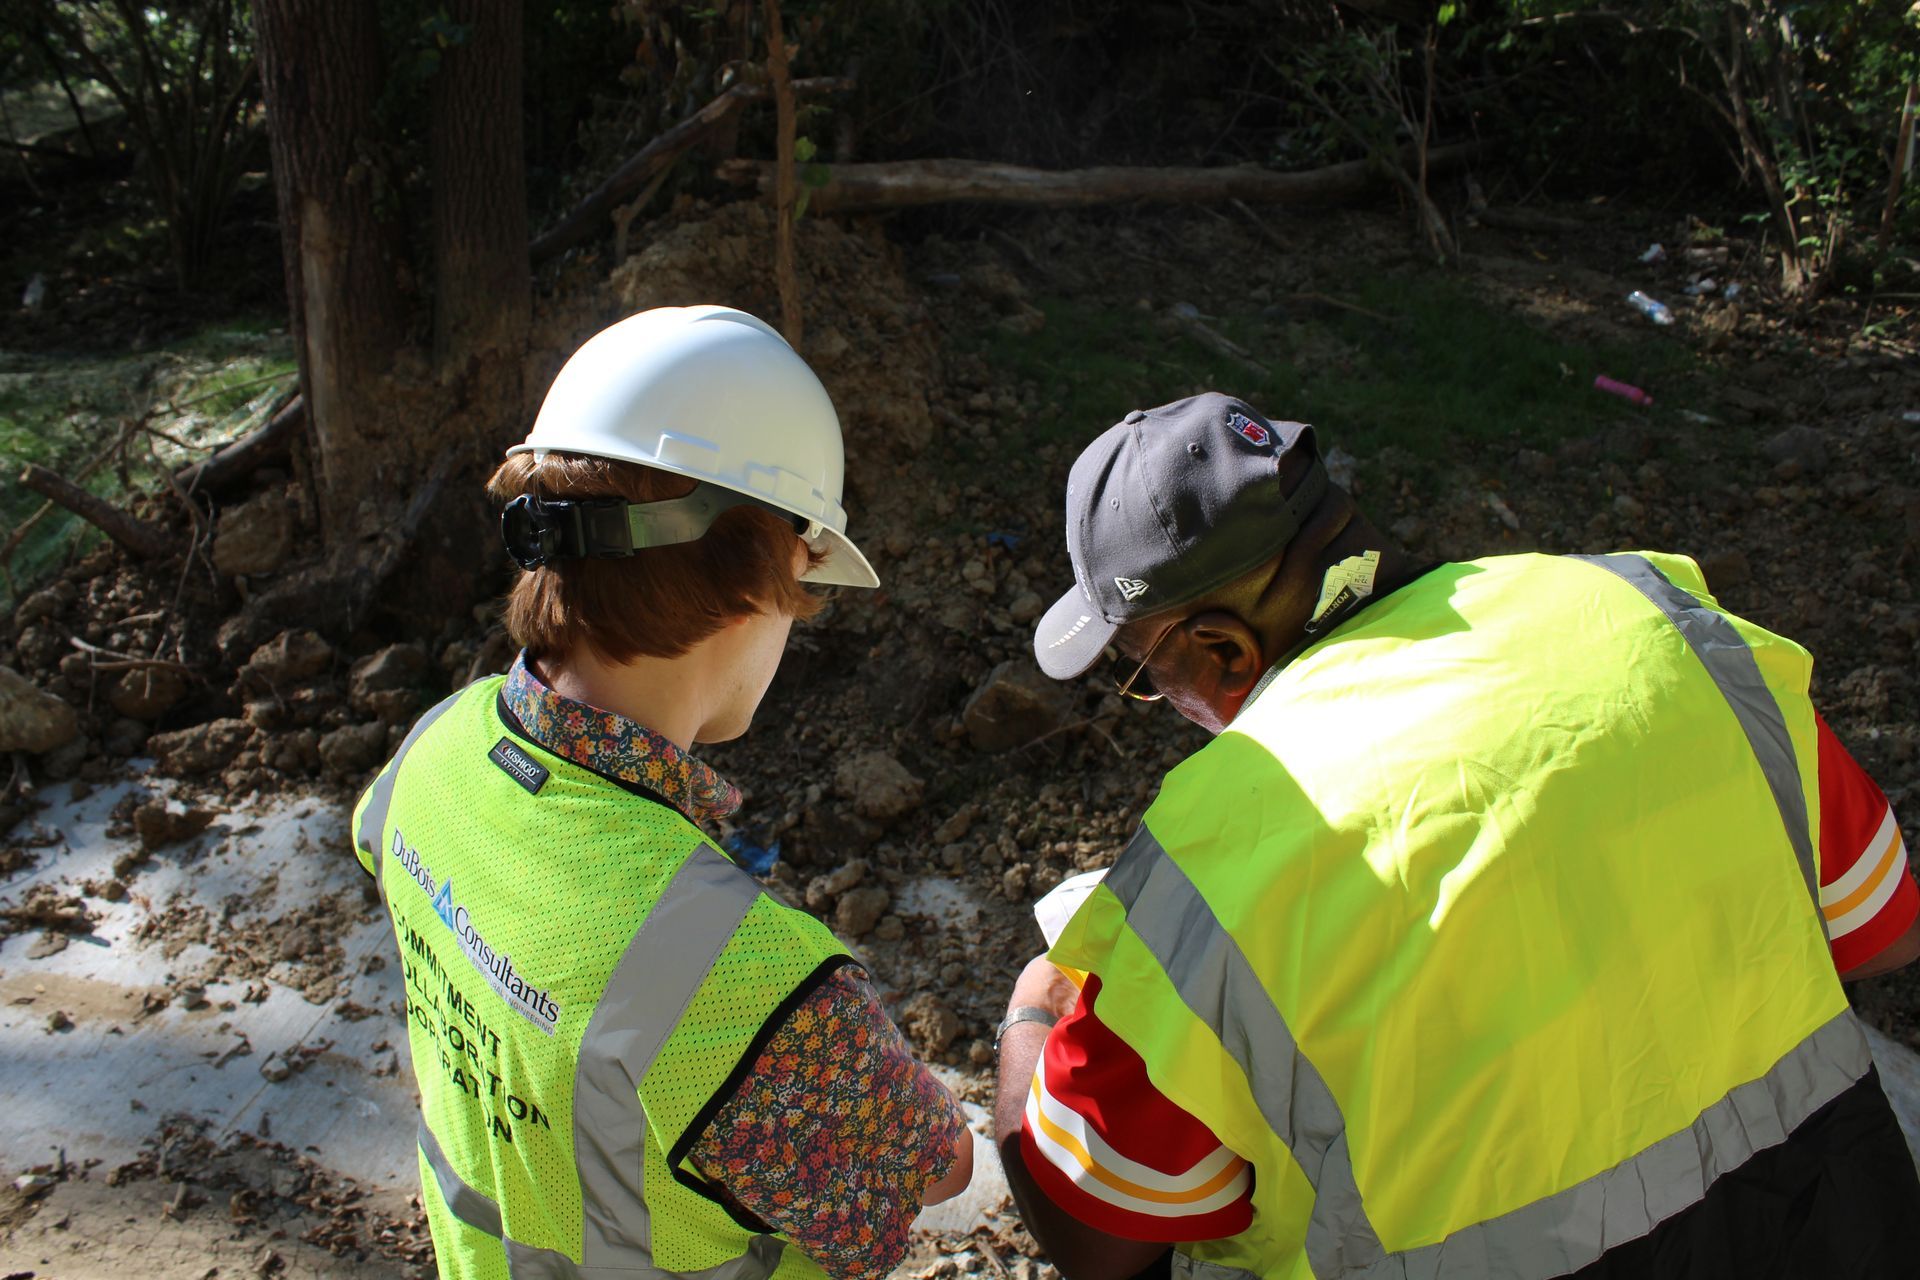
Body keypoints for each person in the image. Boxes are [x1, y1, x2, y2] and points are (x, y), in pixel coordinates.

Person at [993, 392, 1920, 1280]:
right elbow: (1884, 929)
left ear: (1226, 648)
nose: (1160, 701)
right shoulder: (1650, 613)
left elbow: (1094, 1239)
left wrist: (1036, 1009)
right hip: (1839, 1234)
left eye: (1149, 675)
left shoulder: (1207, 865)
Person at [351, 305, 971, 1280]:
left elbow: (387, 849)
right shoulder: (754, 987)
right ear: (762, 572)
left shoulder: (433, 748)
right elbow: (934, 1164)